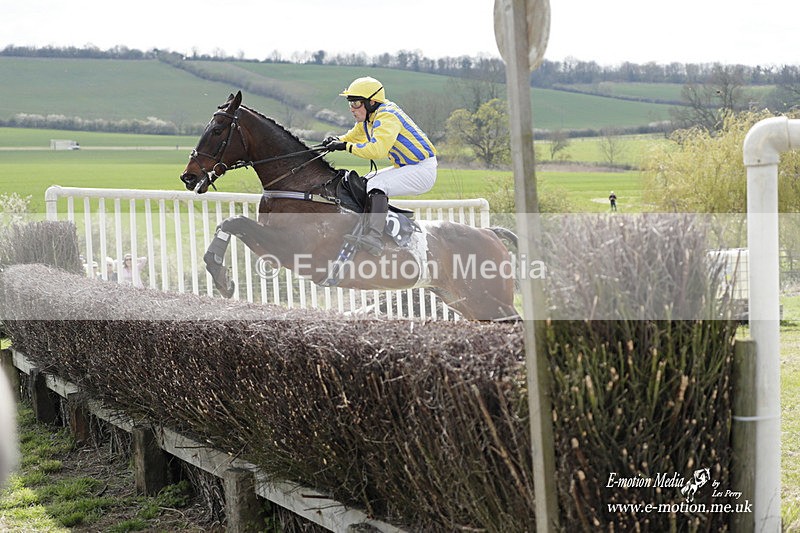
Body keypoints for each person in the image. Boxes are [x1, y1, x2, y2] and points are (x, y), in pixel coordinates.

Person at [322, 76, 437, 256]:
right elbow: (353, 135)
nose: (352, 109)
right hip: (408, 167)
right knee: (364, 182)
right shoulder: (370, 118)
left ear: (372, 102)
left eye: (356, 103)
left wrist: (345, 146)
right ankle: (368, 226)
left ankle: (374, 237)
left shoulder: (387, 116)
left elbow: (377, 150)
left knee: (377, 185)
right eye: (350, 103)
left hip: (422, 169)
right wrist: (337, 140)